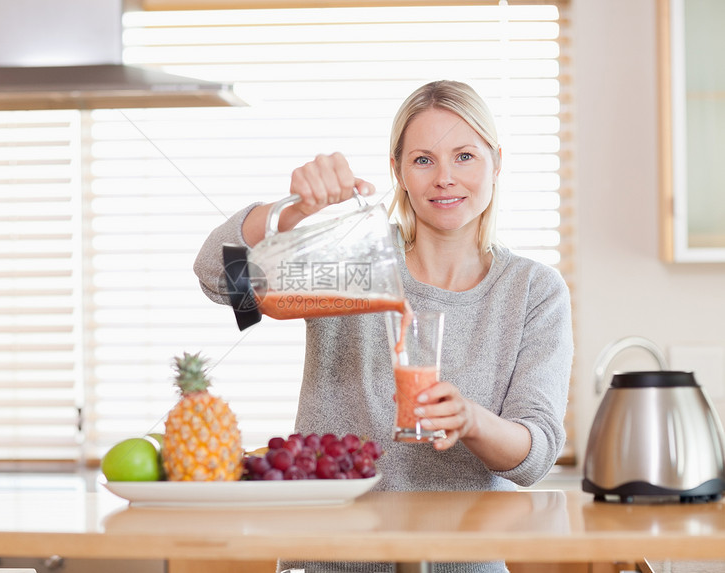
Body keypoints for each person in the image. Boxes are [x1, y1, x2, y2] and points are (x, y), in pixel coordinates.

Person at [194, 80, 573, 573]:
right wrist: (292, 212)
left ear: (496, 162)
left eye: (464, 156)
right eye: (423, 160)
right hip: (332, 561)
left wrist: (472, 421)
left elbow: (536, 453)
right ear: (397, 170)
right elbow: (215, 275)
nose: (444, 178)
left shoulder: (532, 290)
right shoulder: (355, 261)